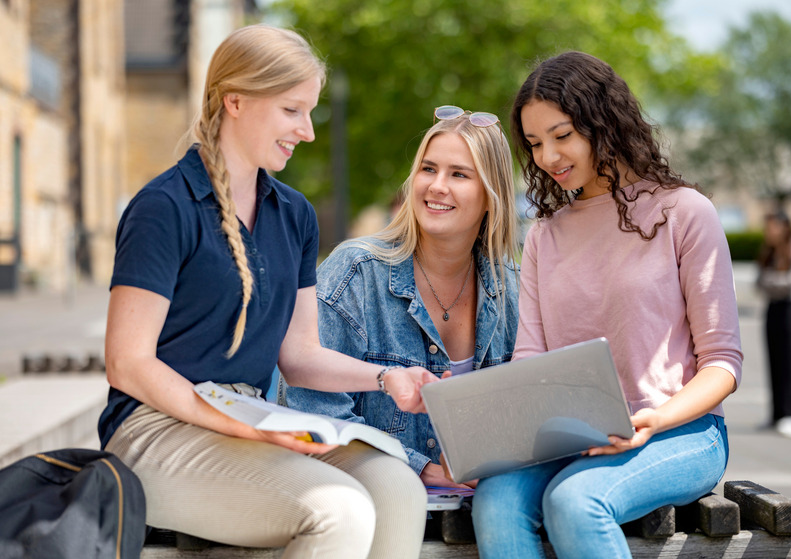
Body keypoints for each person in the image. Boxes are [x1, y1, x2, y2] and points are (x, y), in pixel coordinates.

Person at [98, 24, 438, 559]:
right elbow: (127, 363)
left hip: (250, 419)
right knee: (338, 509)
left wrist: (384, 377)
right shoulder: (164, 207)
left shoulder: (295, 215)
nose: (307, 131)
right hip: (154, 432)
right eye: (292, 110)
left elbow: (298, 356)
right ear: (236, 101)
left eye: (311, 112)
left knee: (398, 488)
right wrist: (247, 429)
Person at [470, 51, 744, 559]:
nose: (548, 157)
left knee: (575, 500)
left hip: (681, 432)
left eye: (562, 135)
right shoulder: (545, 236)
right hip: (572, 436)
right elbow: (531, 359)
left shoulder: (685, 213)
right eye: (534, 144)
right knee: (495, 500)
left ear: (604, 124)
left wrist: (653, 422)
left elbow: (723, 364)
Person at [284, 106, 520, 489]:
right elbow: (312, 410)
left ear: (491, 196)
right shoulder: (355, 272)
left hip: (483, 499)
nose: (436, 185)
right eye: (428, 169)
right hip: (369, 496)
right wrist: (424, 469)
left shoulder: (513, 288)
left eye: (458, 174)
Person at [756, 210, 791, 438]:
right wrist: (775, 282)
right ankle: (777, 413)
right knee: (774, 361)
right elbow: (759, 283)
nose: (769, 232)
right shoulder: (768, 252)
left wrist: (772, 282)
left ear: (785, 227)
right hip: (773, 309)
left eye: (773, 227)